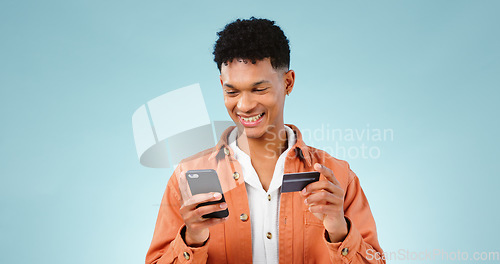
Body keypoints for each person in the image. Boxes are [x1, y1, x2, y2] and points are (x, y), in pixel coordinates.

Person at [146, 17, 385, 264]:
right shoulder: (187, 177)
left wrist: (339, 230)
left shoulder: (338, 177)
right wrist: (192, 240)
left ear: (288, 82)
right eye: (232, 91)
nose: (245, 105)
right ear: (221, 85)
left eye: (259, 89)